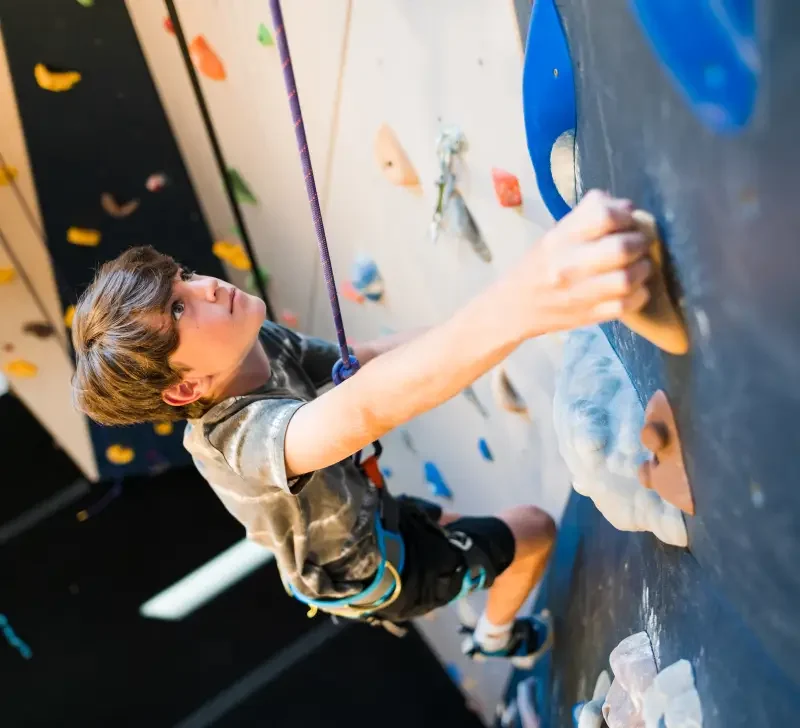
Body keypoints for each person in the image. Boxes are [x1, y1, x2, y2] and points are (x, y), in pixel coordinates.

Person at [71, 190, 653, 667]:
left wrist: (500, 323)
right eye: (179, 310)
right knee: (533, 530)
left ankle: (471, 588)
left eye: (184, 278)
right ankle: (495, 637)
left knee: (443, 526)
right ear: (185, 389)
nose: (206, 288)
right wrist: (526, 302)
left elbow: (365, 362)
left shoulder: (256, 343)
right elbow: (359, 411)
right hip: (372, 571)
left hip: (369, 510)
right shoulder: (239, 442)